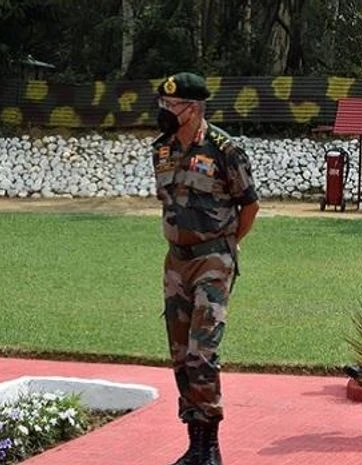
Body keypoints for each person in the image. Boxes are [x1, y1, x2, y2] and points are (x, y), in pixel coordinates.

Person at [152, 72, 260, 465]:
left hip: (214, 260)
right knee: (181, 355)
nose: (164, 111)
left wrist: (226, 248)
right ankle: (194, 442)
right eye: (162, 104)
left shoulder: (224, 149)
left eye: (172, 106)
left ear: (194, 109)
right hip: (176, 262)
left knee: (202, 352)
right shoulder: (161, 149)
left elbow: (248, 206)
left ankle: (211, 445)